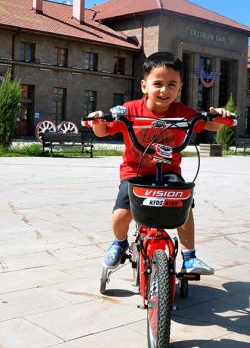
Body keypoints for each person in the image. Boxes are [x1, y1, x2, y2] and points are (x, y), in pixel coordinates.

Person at [86, 51, 234, 275]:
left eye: (171, 84)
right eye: (158, 83)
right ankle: (119, 243)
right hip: (134, 173)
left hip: (168, 173)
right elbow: (103, 130)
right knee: (121, 215)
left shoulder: (183, 113)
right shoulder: (131, 110)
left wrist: (220, 116)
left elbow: (211, 125)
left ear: (180, 87)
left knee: (184, 208)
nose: (165, 90)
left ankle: (189, 256)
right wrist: (97, 119)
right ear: (145, 86)